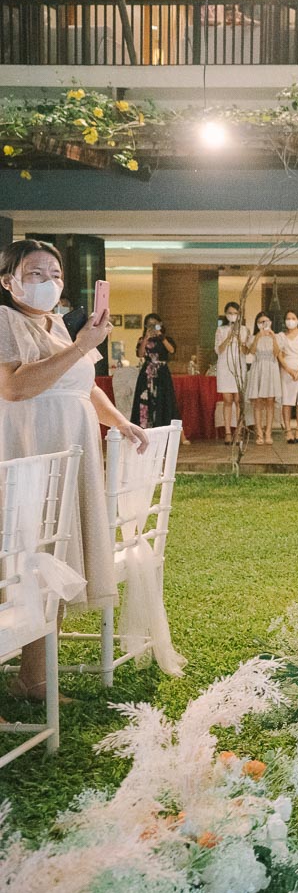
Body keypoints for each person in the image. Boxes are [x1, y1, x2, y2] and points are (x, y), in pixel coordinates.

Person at [0, 241, 147, 706]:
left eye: (55, 274)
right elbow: (15, 387)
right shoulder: (5, 321)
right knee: (29, 556)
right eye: (36, 273)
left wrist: (119, 422)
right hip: (30, 449)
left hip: (71, 449)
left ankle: (35, 677)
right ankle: (29, 675)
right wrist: (83, 345)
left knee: (57, 556)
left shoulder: (61, 326)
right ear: (8, 281)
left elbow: (83, 386)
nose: (49, 282)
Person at [130, 313, 179, 430]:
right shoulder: (142, 340)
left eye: (155, 324)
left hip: (162, 373)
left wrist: (161, 336)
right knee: (145, 399)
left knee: (164, 398)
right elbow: (140, 354)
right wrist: (146, 338)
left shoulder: (166, 339)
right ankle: (145, 427)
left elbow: (171, 350)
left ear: (160, 324)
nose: (152, 327)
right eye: (149, 325)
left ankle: (163, 426)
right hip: (147, 373)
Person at [214, 301, 249, 445]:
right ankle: (228, 432)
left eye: (235, 313)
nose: (233, 315)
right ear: (226, 314)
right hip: (224, 367)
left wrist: (239, 338)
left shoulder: (244, 330)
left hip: (239, 367)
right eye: (230, 313)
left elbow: (246, 351)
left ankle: (239, 431)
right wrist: (229, 336)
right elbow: (218, 350)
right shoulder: (220, 330)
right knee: (227, 400)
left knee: (238, 400)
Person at [246, 311, 280, 445]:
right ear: (257, 324)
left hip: (271, 368)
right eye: (261, 322)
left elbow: (277, 353)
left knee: (270, 401)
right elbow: (252, 351)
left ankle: (268, 432)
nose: (264, 324)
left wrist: (273, 337)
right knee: (258, 402)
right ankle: (259, 433)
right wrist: (258, 337)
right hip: (258, 367)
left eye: (266, 321)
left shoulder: (276, 336)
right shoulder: (253, 337)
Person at [277, 311, 298, 444]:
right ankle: (288, 430)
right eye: (287, 318)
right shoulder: (281, 336)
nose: (290, 321)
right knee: (287, 400)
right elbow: (279, 355)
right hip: (286, 370)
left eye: (293, 318)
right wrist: (289, 370)